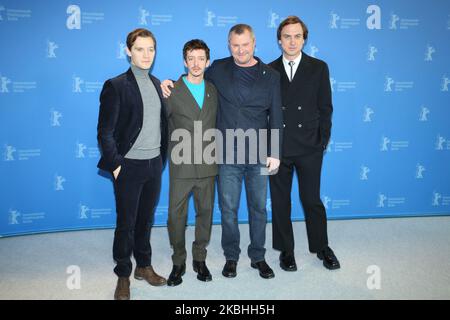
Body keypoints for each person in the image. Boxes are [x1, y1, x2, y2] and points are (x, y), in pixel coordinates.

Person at [162, 24, 283, 279]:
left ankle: (258, 256)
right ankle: (231, 257)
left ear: (254, 44)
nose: (241, 50)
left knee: (259, 208)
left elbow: (276, 115)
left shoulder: (270, 75)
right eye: (235, 45)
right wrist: (169, 83)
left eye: (245, 44)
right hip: (226, 153)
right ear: (229, 45)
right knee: (228, 209)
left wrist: (275, 151)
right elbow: (192, 80)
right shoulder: (217, 68)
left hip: (259, 151)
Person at [97, 28, 168, 300]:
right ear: (129, 51)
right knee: (126, 223)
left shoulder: (157, 83)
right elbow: (105, 131)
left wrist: (160, 159)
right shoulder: (115, 86)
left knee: (146, 220)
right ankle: (123, 275)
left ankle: (144, 266)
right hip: (128, 167)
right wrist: (116, 165)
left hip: (153, 165)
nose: (146, 54)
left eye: (150, 49)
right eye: (140, 49)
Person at [268, 16, 340, 272]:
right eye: (287, 36)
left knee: (311, 199)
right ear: (279, 40)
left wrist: (322, 140)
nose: (292, 41)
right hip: (279, 149)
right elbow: (265, 111)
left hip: (309, 146)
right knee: (280, 201)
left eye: (297, 36)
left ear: (304, 39)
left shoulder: (319, 67)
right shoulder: (269, 70)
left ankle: (321, 246)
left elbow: (325, 107)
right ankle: (286, 250)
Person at [164, 39, 218, 286]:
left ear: (207, 62)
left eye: (200, 59)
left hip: (208, 163)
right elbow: (158, 123)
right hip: (181, 163)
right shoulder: (171, 90)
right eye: (191, 58)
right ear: (184, 61)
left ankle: (199, 258)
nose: (196, 64)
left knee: (205, 213)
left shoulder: (213, 90)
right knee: (176, 216)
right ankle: (179, 260)